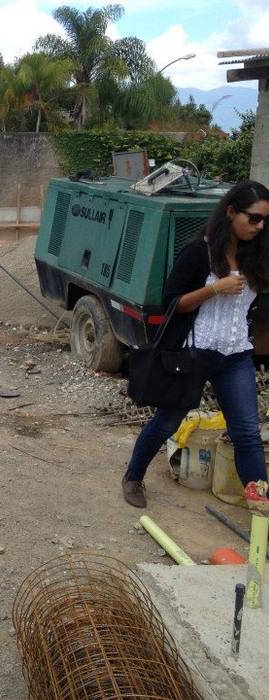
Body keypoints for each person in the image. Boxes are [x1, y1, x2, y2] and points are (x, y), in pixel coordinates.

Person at [122, 180, 269, 508]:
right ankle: (133, 477)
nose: (259, 227)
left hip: (236, 355)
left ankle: (262, 510)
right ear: (231, 212)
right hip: (194, 352)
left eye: (265, 221)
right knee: (168, 421)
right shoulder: (198, 252)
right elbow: (172, 302)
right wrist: (215, 289)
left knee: (247, 433)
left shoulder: (257, 254)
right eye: (254, 218)